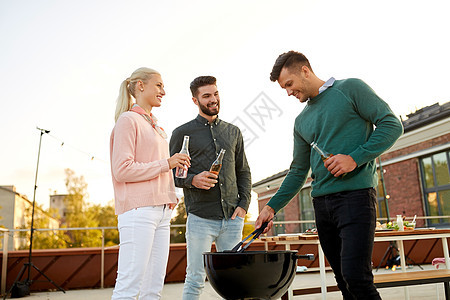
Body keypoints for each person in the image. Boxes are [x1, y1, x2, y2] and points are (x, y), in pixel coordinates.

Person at [255, 51, 403, 300]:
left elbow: (392, 124)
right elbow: (298, 171)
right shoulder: (301, 121)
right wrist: (270, 208)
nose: (288, 93)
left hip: (355, 198)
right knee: (344, 281)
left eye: (289, 84)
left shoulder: (351, 88)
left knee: (357, 278)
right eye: (284, 89)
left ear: (305, 70)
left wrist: (354, 158)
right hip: (322, 206)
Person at [110, 67, 190, 300]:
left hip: (162, 212)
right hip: (138, 212)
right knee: (129, 286)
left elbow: (156, 166)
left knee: (153, 289)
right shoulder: (128, 120)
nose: (163, 91)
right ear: (140, 86)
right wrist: (167, 163)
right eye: (159, 85)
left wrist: (171, 193)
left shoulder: (156, 126)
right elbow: (122, 169)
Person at [169, 76, 252, 300]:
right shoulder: (181, 134)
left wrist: (243, 205)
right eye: (207, 96)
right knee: (195, 279)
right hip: (200, 219)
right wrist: (192, 179)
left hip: (233, 219)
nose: (213, 99)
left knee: (235, 280)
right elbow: (171, 175)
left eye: (215, 94)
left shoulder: (233, 132)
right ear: (195, 100)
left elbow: (243, 171)